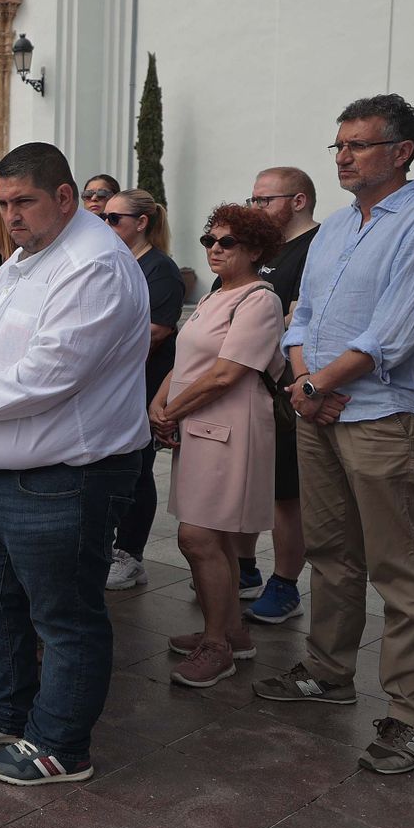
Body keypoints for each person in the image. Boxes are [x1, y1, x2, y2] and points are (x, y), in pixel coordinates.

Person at [254, 94, 414, 776]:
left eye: (358, 145)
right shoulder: (338, 228)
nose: (343, 156)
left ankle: (413, 716)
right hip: (319, 407)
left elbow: (394, 334)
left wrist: (316, 385)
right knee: (331, 551)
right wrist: (304, 381)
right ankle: (327, 671)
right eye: (339, 145)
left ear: (401, 152)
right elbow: (302, 315)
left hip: (388, 415)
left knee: (400, 568)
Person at [0, 142, 148, 787]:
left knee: (64, 617)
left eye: (23, 201)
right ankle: (6, 712)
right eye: (2, 204)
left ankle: (61, 744)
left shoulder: (93, 266)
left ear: (65, 197)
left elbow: (50, 374)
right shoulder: (27, 257)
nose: (10, 216)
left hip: (62, 478)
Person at [151, 205, 286, 687]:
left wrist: (172, 409)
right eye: (210, 239)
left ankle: (216, 647)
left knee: (198, 538)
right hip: (201, 424)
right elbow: (188, 359)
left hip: (229, 428)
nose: (214, 249)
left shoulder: (258, 300)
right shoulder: (216, 294)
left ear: (255, 250)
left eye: (227, 242)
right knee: (217, 538)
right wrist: (160, 399)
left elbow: (227, 373)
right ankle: (230, 633)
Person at [239, 166, 321, 624]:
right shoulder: (264, 248)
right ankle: (243, 569)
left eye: (264, 200)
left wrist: (246, 324)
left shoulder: (315, 247)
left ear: (298, 201)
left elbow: (298, 317)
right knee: (250, 482)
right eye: (252, 199)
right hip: (251, 385)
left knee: (286, 496)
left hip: (288, 387)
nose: (255, 208)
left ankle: (286, 585)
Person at [102, 190, 184, 591]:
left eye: (114, 218)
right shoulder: (117, 262)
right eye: (103, 217)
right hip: (117, 384)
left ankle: (130, 554)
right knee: (120, 468)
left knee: (138, 469)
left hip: (145, 383)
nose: (106, 225)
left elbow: (153, 333)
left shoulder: (160, 269)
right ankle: (113, 547)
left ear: (141, 222)